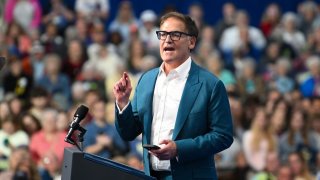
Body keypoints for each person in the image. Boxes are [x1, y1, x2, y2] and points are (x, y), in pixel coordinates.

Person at [113, 12, 233, 180]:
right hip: (151, 176)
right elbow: (128, 133)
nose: (167, 40)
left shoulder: (210, 85)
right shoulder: (147, 80)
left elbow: (223, 136)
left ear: (191, 42)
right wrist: (123, 102)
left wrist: (179, 148)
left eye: (175, 34)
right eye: (162, 34)